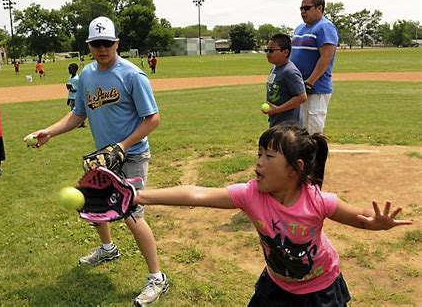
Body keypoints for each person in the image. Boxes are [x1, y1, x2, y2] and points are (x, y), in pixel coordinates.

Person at [133, 123, 413, 306]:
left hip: (320, 291)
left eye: (269, 156)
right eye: (259, 154)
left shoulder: (318, 201)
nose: (258, 162)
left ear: (295, 168)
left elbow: (361, 217)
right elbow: (197, 194)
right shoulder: (250, 195)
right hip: (276, 285)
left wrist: (378, 223)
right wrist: (141, 195)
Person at [24, 16, 168, 306]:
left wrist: (122, 146)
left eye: (107, 43)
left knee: (132, 214)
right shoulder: (87, 76)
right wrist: (49, 131)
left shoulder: (132, 75)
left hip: (133, 154)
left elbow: (152, 118)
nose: (102, 48)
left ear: (117, 43)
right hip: (103, 154)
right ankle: (108, 248)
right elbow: (78, 114)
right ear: (89, 45)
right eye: (96, 44)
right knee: (93, 205)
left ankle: (157, 278)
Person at [290, 0, 338, 135]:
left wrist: (310, 82)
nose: (303, 11)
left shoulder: (325, 27)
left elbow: (326, 57)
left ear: (320, 8)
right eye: (301, 8)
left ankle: (317, 157)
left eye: (307, 8)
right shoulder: (299, 29)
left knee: (314, 129)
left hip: (316, 88)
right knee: (300, 129)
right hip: (299, 88)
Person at [262, 34, 307, 127]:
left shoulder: (290, 71)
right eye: (266, 50)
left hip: (288, 125)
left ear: (285, 52)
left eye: (271, 50)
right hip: (276, 121)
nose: (268, 53)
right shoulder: (275, 68)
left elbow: (302, 97)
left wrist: (277, 109)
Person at [65, 63, 85, 128]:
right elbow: (70, 89)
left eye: (70, 69)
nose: (69, 71)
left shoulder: (77, 78)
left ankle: (81, 123)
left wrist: (75, 90)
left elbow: (80, 88)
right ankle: (76, 123)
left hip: (76, 97)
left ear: (74, 70)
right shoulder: (70, 77)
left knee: (78, 110)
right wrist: (68, 98)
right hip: (71, 97)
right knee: (72, 110)